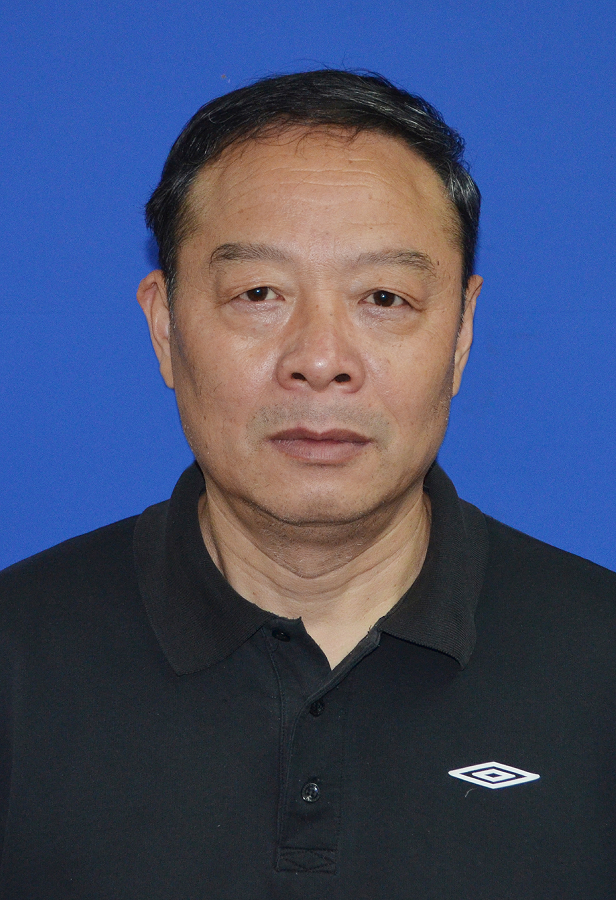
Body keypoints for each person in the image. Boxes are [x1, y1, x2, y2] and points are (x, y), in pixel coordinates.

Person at [0, 70, 614, 899]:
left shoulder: (600, 662)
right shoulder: (18, 658)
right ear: (165, 326)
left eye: (384, 297)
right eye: (259, 293)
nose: (320, 360)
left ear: (462, 333)